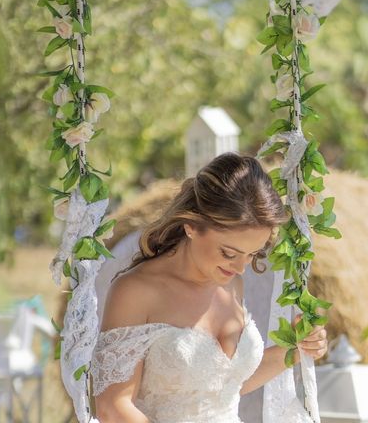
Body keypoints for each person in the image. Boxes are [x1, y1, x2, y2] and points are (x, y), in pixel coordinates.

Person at [90, 153, 328, 423]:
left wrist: (296, 349)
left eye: (252, 254)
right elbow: (113, 407)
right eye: (229, 253)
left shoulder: (232, 285)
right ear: (192, 225)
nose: (240, 268)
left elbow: (224, 387)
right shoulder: (135, 292)